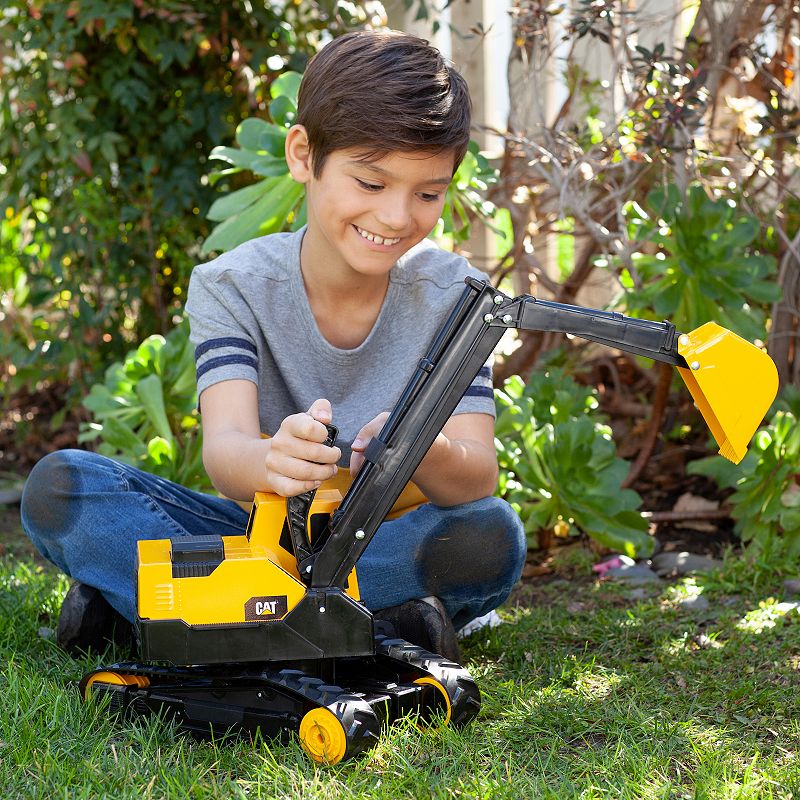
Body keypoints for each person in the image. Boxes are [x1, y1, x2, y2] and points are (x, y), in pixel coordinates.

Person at [21, 29, 526, 662]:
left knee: (490, 534)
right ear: (302, 154)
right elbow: (227, 451)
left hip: (379, 536)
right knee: (64, 487)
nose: (398, 217)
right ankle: (377, 624)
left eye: (427, 194)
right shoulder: (230, 286)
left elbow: (478, 473)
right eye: (370, 184)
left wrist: (420, 446)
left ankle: (173, 614)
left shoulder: (457, 295)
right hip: (258, 539)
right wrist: (274, 462)